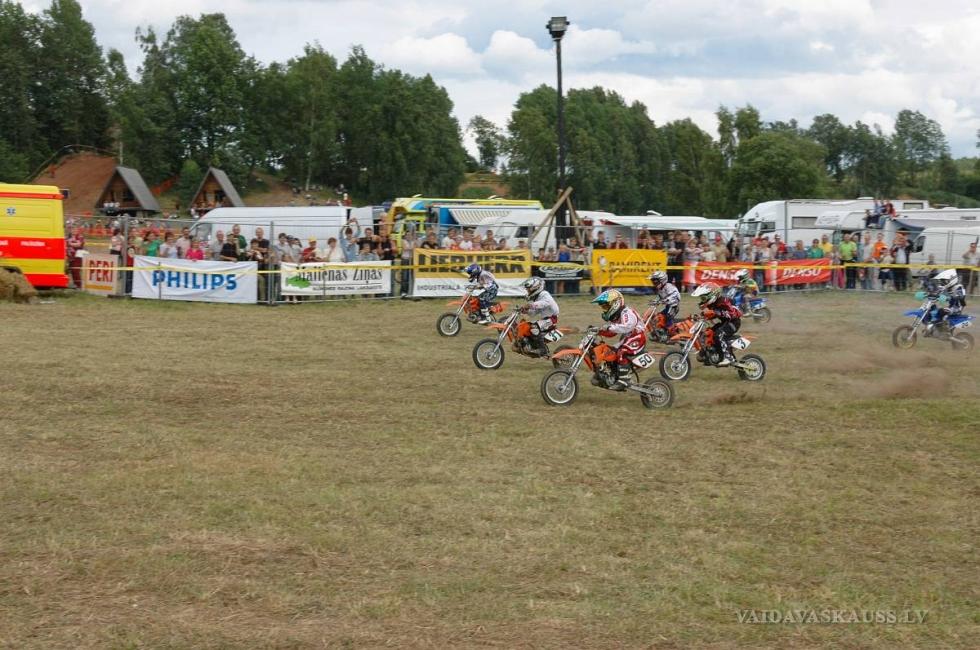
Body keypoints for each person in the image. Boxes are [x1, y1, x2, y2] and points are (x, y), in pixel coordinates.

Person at [591, 289, 646, 389]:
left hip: (637, 337)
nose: (605, 309)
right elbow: (612, 333)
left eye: (606, 306)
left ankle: (624, 380)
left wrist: (609, 327)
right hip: (628, 337)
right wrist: (599, 331)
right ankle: (610, 374)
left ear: (615, 303)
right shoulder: (617, 315)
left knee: (622, 352)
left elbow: (626, 327)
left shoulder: (626, 312)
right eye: (603, 307)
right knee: (610, 352)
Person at [691, 282, 742, 367]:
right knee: (708, 333)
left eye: (703, 298)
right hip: (724, 323)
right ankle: (711, 354)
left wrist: (716, 312)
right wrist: (700, 316)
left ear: (712, 295)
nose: (702, 300)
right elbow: (713, 314)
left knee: (719, 334)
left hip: (734, 322)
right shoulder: (712, 304)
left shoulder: (724, 301)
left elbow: (732, 314)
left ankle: (727, 357)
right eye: (701, 298)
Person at [518, 277, 560, 356]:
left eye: (529, 289)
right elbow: (534, 313)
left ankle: (542, 349)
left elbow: (546, 303)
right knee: (527, 326)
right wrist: (525, 311)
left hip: (551, 319)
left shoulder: (544, 294)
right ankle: (530, 345)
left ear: (535, 288)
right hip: (545, 320)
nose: (527, 291)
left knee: (534, 327)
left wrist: (530, 305)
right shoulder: (537, 298)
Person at [925, 269, 967, 335]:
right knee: (932, 308)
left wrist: (950, 297)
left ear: (951, 280)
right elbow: (938, 292)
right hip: (951, 307)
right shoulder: (949, 287)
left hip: (956, 309)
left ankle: (943, 330)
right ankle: (934, 328)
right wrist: (931, 294)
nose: (943, 283)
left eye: (944, 281)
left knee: (941, 311)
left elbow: (961, 297)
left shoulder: (959, 287)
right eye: (942, 281)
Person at [648, 270, 680, 341]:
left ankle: (673, 335)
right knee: (660, 317)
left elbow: (675, 295)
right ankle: (662, 333)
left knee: (668, 317)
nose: (654, 283)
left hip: (673, 306)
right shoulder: (660, 289)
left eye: (655, 281)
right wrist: (655, 301)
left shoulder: (669, 287)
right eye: (653, 281)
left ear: (662, 280)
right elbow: (659, 297)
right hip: (668, 306)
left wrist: (666, 300)